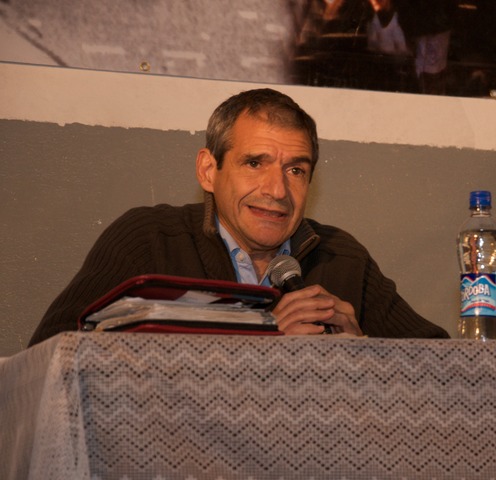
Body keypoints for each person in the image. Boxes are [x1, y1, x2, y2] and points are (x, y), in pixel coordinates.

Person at [28, 88, 448, 346]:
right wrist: (258, 340)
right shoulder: (148, 241)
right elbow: (52, 356)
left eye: (295, 170)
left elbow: (448, 368)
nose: (277, 190)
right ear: (209, 171)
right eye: (254, 163)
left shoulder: (343, 259)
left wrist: (365, 351)